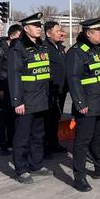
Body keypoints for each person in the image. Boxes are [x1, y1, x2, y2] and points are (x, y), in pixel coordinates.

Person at [66, 17, 100, 192]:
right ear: (89, 33)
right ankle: (79, 176)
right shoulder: (77, 52)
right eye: (99, 31)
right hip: (88, 106)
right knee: (83, 142)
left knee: (99, 139)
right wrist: (80, 102)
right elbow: (73, 79)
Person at [8, 13, 53, 184]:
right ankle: (21, 169)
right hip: (25, 101)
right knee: (22, 137)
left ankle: (36, 164)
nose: (39, 29)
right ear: (26, 29)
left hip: (41, 99)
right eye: (36, 26)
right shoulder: (17, 48)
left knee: (38, 135)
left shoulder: (41, 46)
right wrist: (17, 101)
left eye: (40, 26)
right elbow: (14, 76)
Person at [43, 21, 68, 156]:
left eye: (60, 30)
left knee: (56, 118)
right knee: (47, 119)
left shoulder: (60, 47)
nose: (61, 33)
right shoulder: (44, 48)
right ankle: (45, 146)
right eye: (57, 31)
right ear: (48, 33)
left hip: (61, 89)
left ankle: (54, 143)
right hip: (49, 91)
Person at [0, 24, 22, 155]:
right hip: (2, 87)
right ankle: (1, 145)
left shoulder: (16, 49)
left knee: (12, 117)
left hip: (11, 88)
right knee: (1, 118)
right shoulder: (0, 48)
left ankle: (10, 142)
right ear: (12, 35)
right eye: (20, 36)